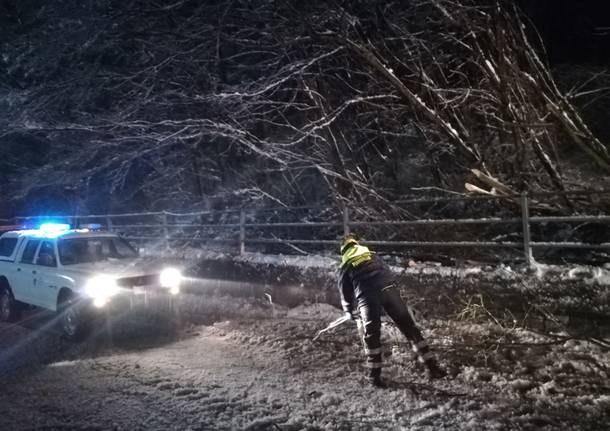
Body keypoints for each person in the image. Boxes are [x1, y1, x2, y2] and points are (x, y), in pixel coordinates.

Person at [338, 234, 445, 387]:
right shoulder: (372, 255)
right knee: (409, 328)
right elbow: (388, 272)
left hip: (367, 297)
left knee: (372, 336)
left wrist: (349, 310)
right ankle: (433, 367)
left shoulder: (345, 264)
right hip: (389, 290)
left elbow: (344, 291)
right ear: (357, 244)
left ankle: (375, 377)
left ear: (344, 251)